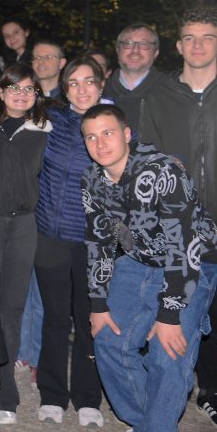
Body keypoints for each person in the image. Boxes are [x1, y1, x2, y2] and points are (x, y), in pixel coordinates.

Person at [79, 104, 217, 432]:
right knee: (108, 341)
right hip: (137, 261)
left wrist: (169, 315)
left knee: (167, 354)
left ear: (127, 134)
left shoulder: (163, 172)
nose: (100, 143)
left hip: (192, 263)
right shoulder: (91, 179)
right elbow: (98, 241)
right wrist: (98, 304)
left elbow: (183, 247)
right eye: (91, 137)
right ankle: (150, 424)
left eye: (108, 133)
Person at [138, 8, 217, 423]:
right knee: (176, 335)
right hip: (183, 237)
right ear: (179, 45)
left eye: (207, 37)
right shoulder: (159, 96)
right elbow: (147, 164)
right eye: (190, 37)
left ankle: (212, 391)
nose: (198, 45)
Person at [0, 64, 51, 425]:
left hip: (23, 225)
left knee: (12, 309)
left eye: (29, 89)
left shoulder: (44, 129)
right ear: (0, 90)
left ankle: (5, 392)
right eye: (14, 87)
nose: (21, 94)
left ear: (36, 95)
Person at [33, 56, 106, 427]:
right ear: (64, 88)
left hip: (93, 241)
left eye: (89, 81)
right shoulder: (50, 119)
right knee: (55, 318)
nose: (82, 89)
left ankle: (88, 397)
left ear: (101, 85)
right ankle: (52, 394)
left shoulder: (111, 124)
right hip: (51, 235)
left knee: (89, 318)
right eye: (73, 82)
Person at [103, 23, 164, 127]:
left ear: (155, 53)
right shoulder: (98, 91)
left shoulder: (171, 91)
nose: (135, 50)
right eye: (128, 43)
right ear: (118, 50)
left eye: (144, 44)